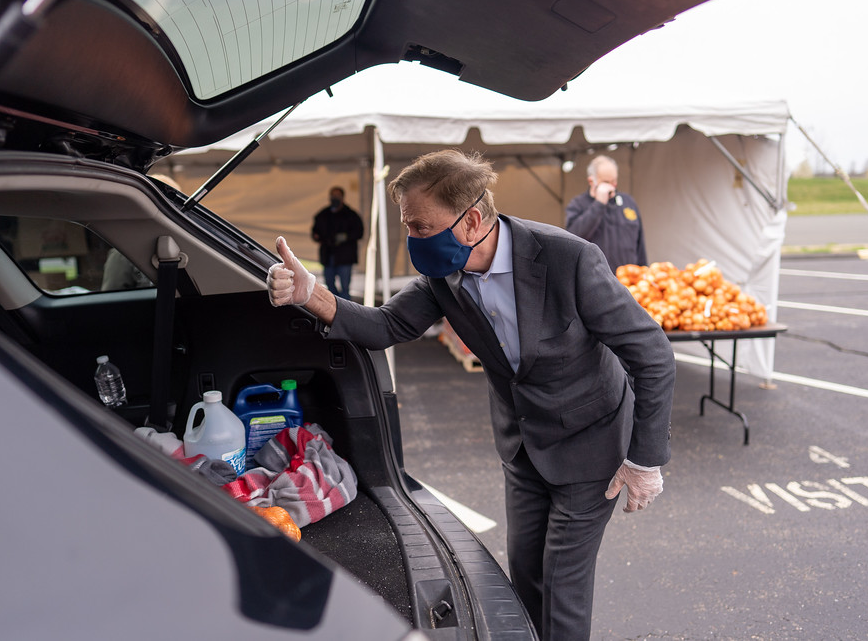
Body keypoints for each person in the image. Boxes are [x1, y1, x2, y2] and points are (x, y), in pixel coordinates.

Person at [267, 149, 674, 641]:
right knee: (525, 576)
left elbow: (652, 354)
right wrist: (311, 293)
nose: (412, 238)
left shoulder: (568, 258)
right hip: (523, 448)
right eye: (407, 225)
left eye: (420, 226)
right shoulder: (444, 275)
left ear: (472, 220)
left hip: (592, 445)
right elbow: (387, 325)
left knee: (563, 588)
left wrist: (645, 459)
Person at [565, 154, 647, 273]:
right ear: (591, 181)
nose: (612, 186)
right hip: (594, 277)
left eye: (614, 181)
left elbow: (640, 245)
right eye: (606, 182)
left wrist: (644, 271)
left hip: (628, 277)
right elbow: (574, 237)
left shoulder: (628, 202)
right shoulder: (578, 204)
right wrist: (599, 204)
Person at [311, 186, 364, 301]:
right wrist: (320, 237)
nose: (335, 198)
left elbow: (359, 232)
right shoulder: (323, 215)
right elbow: (315, 232)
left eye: (337, 196)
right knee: (329, 286)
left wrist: (346, 237)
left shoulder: (351, 215)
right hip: (328, 256)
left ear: (342, 197)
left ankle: (345, 309)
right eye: (333, 196)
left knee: (345, 288)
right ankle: (333, 307)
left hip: (345, 256)